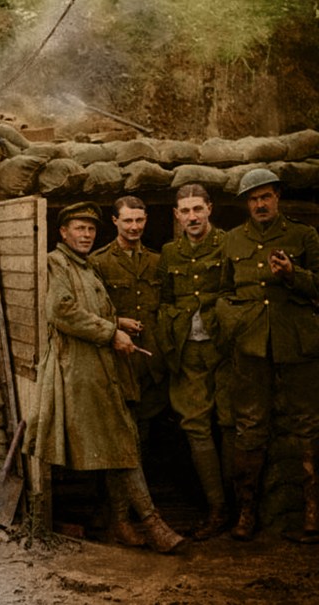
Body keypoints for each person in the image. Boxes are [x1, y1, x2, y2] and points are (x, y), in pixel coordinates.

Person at [24, 201, 185, 553]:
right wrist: (111, 333)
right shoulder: (57, 263)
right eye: (78, 229)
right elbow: (62, 310)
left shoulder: (85, 266)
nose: (85, 235)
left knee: (119, 442)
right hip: (79, 370)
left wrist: (118, 322)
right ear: (62, 232)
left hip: (99, 367)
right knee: (123, 440)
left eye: (90, 229)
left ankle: (120, 523)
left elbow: (90, 308)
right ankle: (152, 524)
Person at [218, 168, 319, 542]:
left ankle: (312, 511)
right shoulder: (232, 240)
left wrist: (294, 275)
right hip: (250, 345)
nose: (260, 204)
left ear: (277, 197)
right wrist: (233, 324)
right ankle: (246, 512)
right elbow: (223, 292)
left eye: (266, 197)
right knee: (249, 425)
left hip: (298, 343)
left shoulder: (303, 235)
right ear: (246, 203)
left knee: (309, 425)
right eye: (253, 198)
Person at [156, 184, 234, 541]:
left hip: (225, 349)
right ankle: (216, 509)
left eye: (197, 210)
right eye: (184, 211)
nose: (192, 217)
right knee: (195, 426)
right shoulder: (170, 253)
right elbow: (167, 300)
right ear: (176, 215)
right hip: (189, 351)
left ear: (210, 210)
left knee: (233, 421)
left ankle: (244, 507)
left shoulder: (229, 244)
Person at [89, 196, 167, 453]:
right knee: (117, 428)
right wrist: (117, 323)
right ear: (115, 221)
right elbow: (90, 312)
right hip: (117, 360)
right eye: (128, 221)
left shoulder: (157, 261)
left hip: (150, 360)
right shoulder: (98, 262)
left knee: (147, 427)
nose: (134, 227)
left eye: (139, 220)